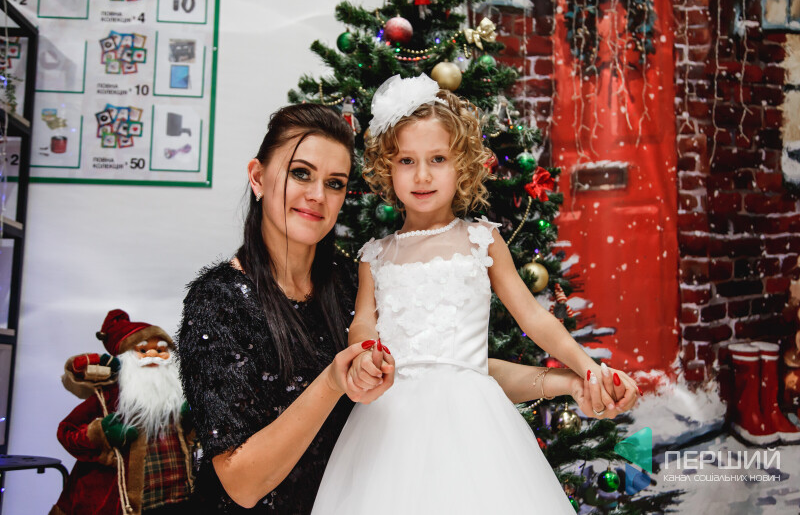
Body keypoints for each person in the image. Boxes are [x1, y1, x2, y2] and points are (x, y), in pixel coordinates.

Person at [311, 74, 640, 514]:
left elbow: (533, 317)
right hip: (386, 422)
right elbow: (363, 322)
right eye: (407, 160)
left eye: (438, 158)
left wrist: (587, 368)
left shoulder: (481, 240)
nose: (422, 175)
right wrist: (367, 354)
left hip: (472, 420)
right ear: (387, 167)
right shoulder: (376, 255)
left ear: (462, 165)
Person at [176, 103, 395, 514]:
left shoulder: (355, 286)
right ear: (258, 177)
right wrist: (333, 381)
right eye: (301, 173)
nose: (317, 195)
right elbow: (242, 484)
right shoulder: (218, 301)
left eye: (335, 183)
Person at [51, 309, 194, 515]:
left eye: (161, 350)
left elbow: (189, 439)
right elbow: (67, 431)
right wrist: (103, 434)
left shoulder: (177, 395)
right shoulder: (110, 394)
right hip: (121, 503)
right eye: (143, 350)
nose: (153, 355)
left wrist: (191, 420)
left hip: (177, 498)